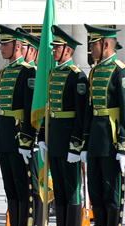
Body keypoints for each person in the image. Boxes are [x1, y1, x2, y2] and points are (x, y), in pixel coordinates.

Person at [82, 24, 125, 226]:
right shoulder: (95, 71)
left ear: (105, 45)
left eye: (92, 44)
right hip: (96, 140)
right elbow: (89, 110)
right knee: (95, 190)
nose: (90, 48)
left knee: (112, 193)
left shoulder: (121, 72)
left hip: (112, 142)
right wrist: (85, 143)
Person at [36, 26, 87, 226]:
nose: (53, 50)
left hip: (68, 142)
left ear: (67, 50)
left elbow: (81, 115)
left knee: (71, 191)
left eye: (57, 47)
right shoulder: (53, 74)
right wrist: (42, 137)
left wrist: (76, 144)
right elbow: (48, 110)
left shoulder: (77, 76)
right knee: (58, 189)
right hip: (54, 140)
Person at [0, 25, 37, 226]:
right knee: (10, 189)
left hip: (19, 138)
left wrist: (27, 140)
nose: (1, 48)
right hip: (5, 138)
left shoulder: (28, 73)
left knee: (24, 189)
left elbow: (30, 111)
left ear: (17, 46)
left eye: (5, 44)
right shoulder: (4, 72)